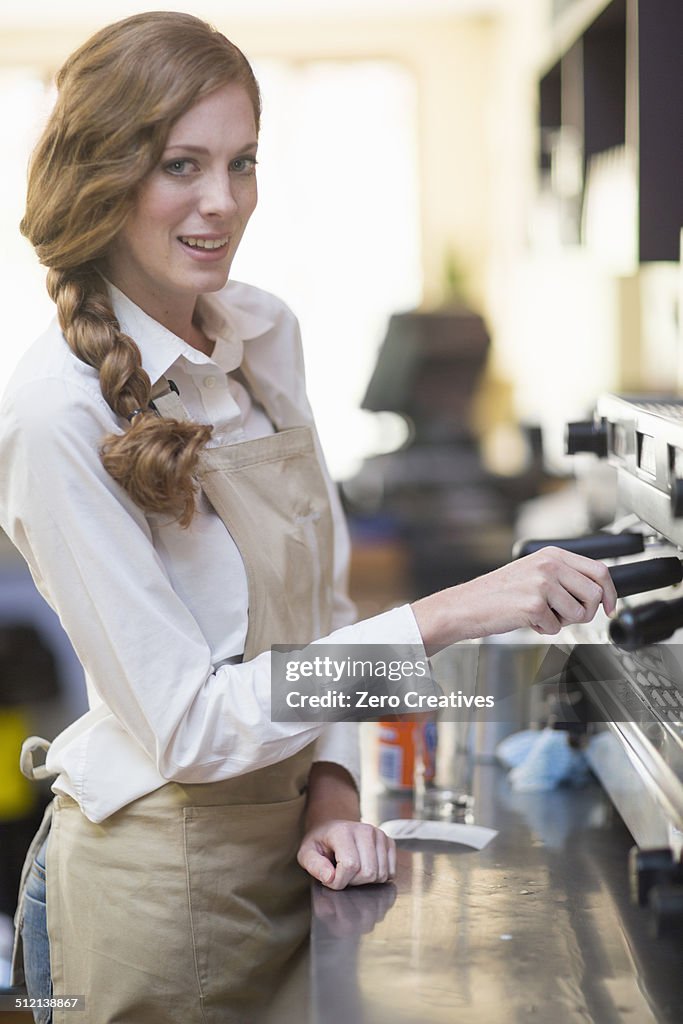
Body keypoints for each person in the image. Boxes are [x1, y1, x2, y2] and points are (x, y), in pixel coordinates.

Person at [0, 11, 617, 1024]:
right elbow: (193, 725)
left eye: (241, 162)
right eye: (180, 166)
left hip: (302, 854)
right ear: (102, 175)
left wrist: (330, 785)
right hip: (162, 890)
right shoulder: (52, 412)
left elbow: (318, 613)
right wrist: (453, 612)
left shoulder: (262, 332)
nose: (222, 202)